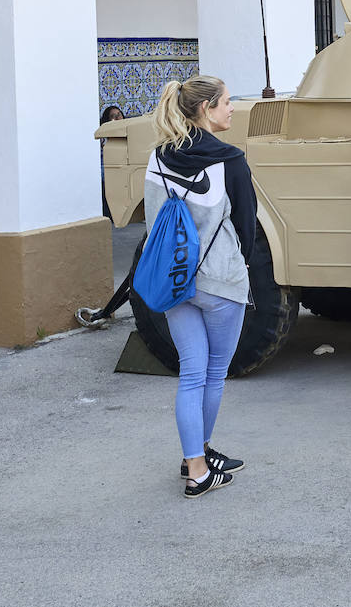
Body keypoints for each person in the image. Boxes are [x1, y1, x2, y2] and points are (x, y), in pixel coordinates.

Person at [144, 75, 257, 498]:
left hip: (173, 282)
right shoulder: (231, 160)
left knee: (191, 374)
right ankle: (199, 463)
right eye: (227, 102)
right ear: (206, 108)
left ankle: (195, 460)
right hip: (220, 281)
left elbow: (154, 221)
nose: (232, 109)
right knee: (214, 373)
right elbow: (247, 225)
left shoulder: (157, 158)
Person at [100, 105, 125, 219]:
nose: (117, 118)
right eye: (113, 116)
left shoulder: (128, 131)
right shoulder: (104, 135)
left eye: (119, 114)